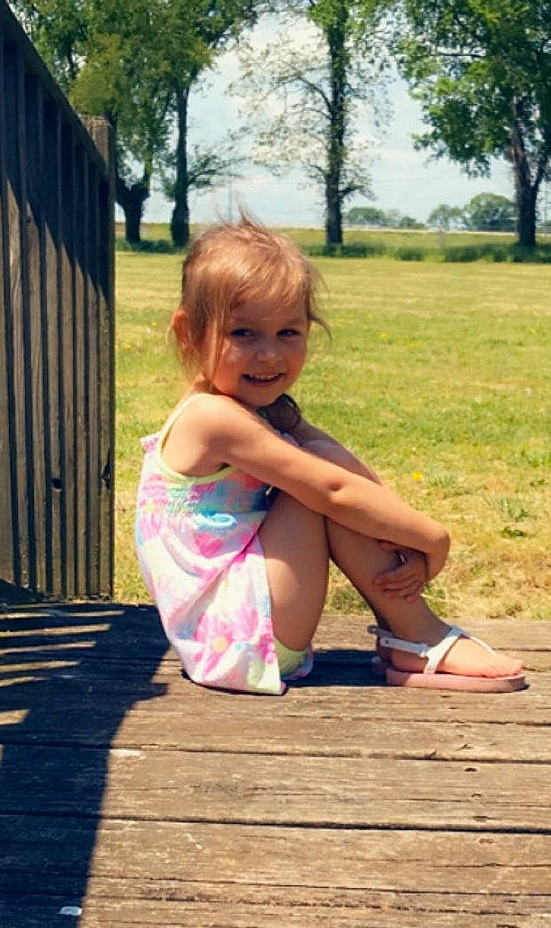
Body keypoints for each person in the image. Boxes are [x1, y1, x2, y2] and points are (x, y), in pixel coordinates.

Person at [135, 218, 526, 696]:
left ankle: (409, 634)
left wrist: (401, 527)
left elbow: (347, 471)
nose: (269, 355)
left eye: (288, 333)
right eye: (243, 333)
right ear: (188, 334)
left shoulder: (261, 412)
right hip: (241, 640)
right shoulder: (211, 419)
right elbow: (333, 490)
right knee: (317, 491)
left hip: (248, 630)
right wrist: (432, 538)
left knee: (322, 463)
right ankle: (419, 633)